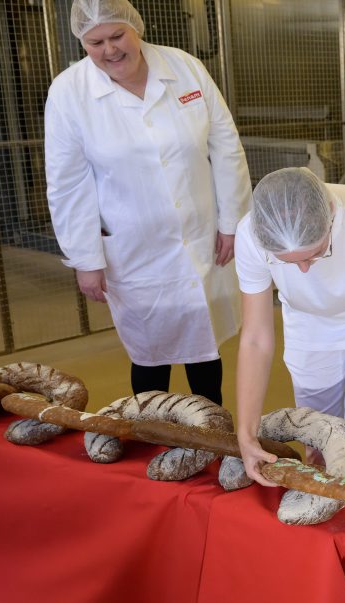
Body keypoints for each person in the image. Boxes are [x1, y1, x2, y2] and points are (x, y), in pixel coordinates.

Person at [45, 0, 250, 406]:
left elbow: (227, 148)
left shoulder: (185, 68)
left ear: (136, 27)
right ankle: (152, 431)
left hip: (200, 236)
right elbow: (67, 183)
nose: (110, 50)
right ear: (82, 42)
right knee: (149, 351)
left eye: (117, 35)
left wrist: (232, 222)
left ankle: (212, 427)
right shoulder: (70, 92)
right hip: (134, 247)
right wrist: (85, 258)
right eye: (95, 42)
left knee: (204, 343)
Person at [234, 167, 345, 485]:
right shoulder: (251, 234)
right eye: (290, 262)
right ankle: (325, 496)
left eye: (316, 254)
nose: (303, 270)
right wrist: (245, 434)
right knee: (317, 425)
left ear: (331, 216)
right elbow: (255, 339)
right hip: (308, 319)